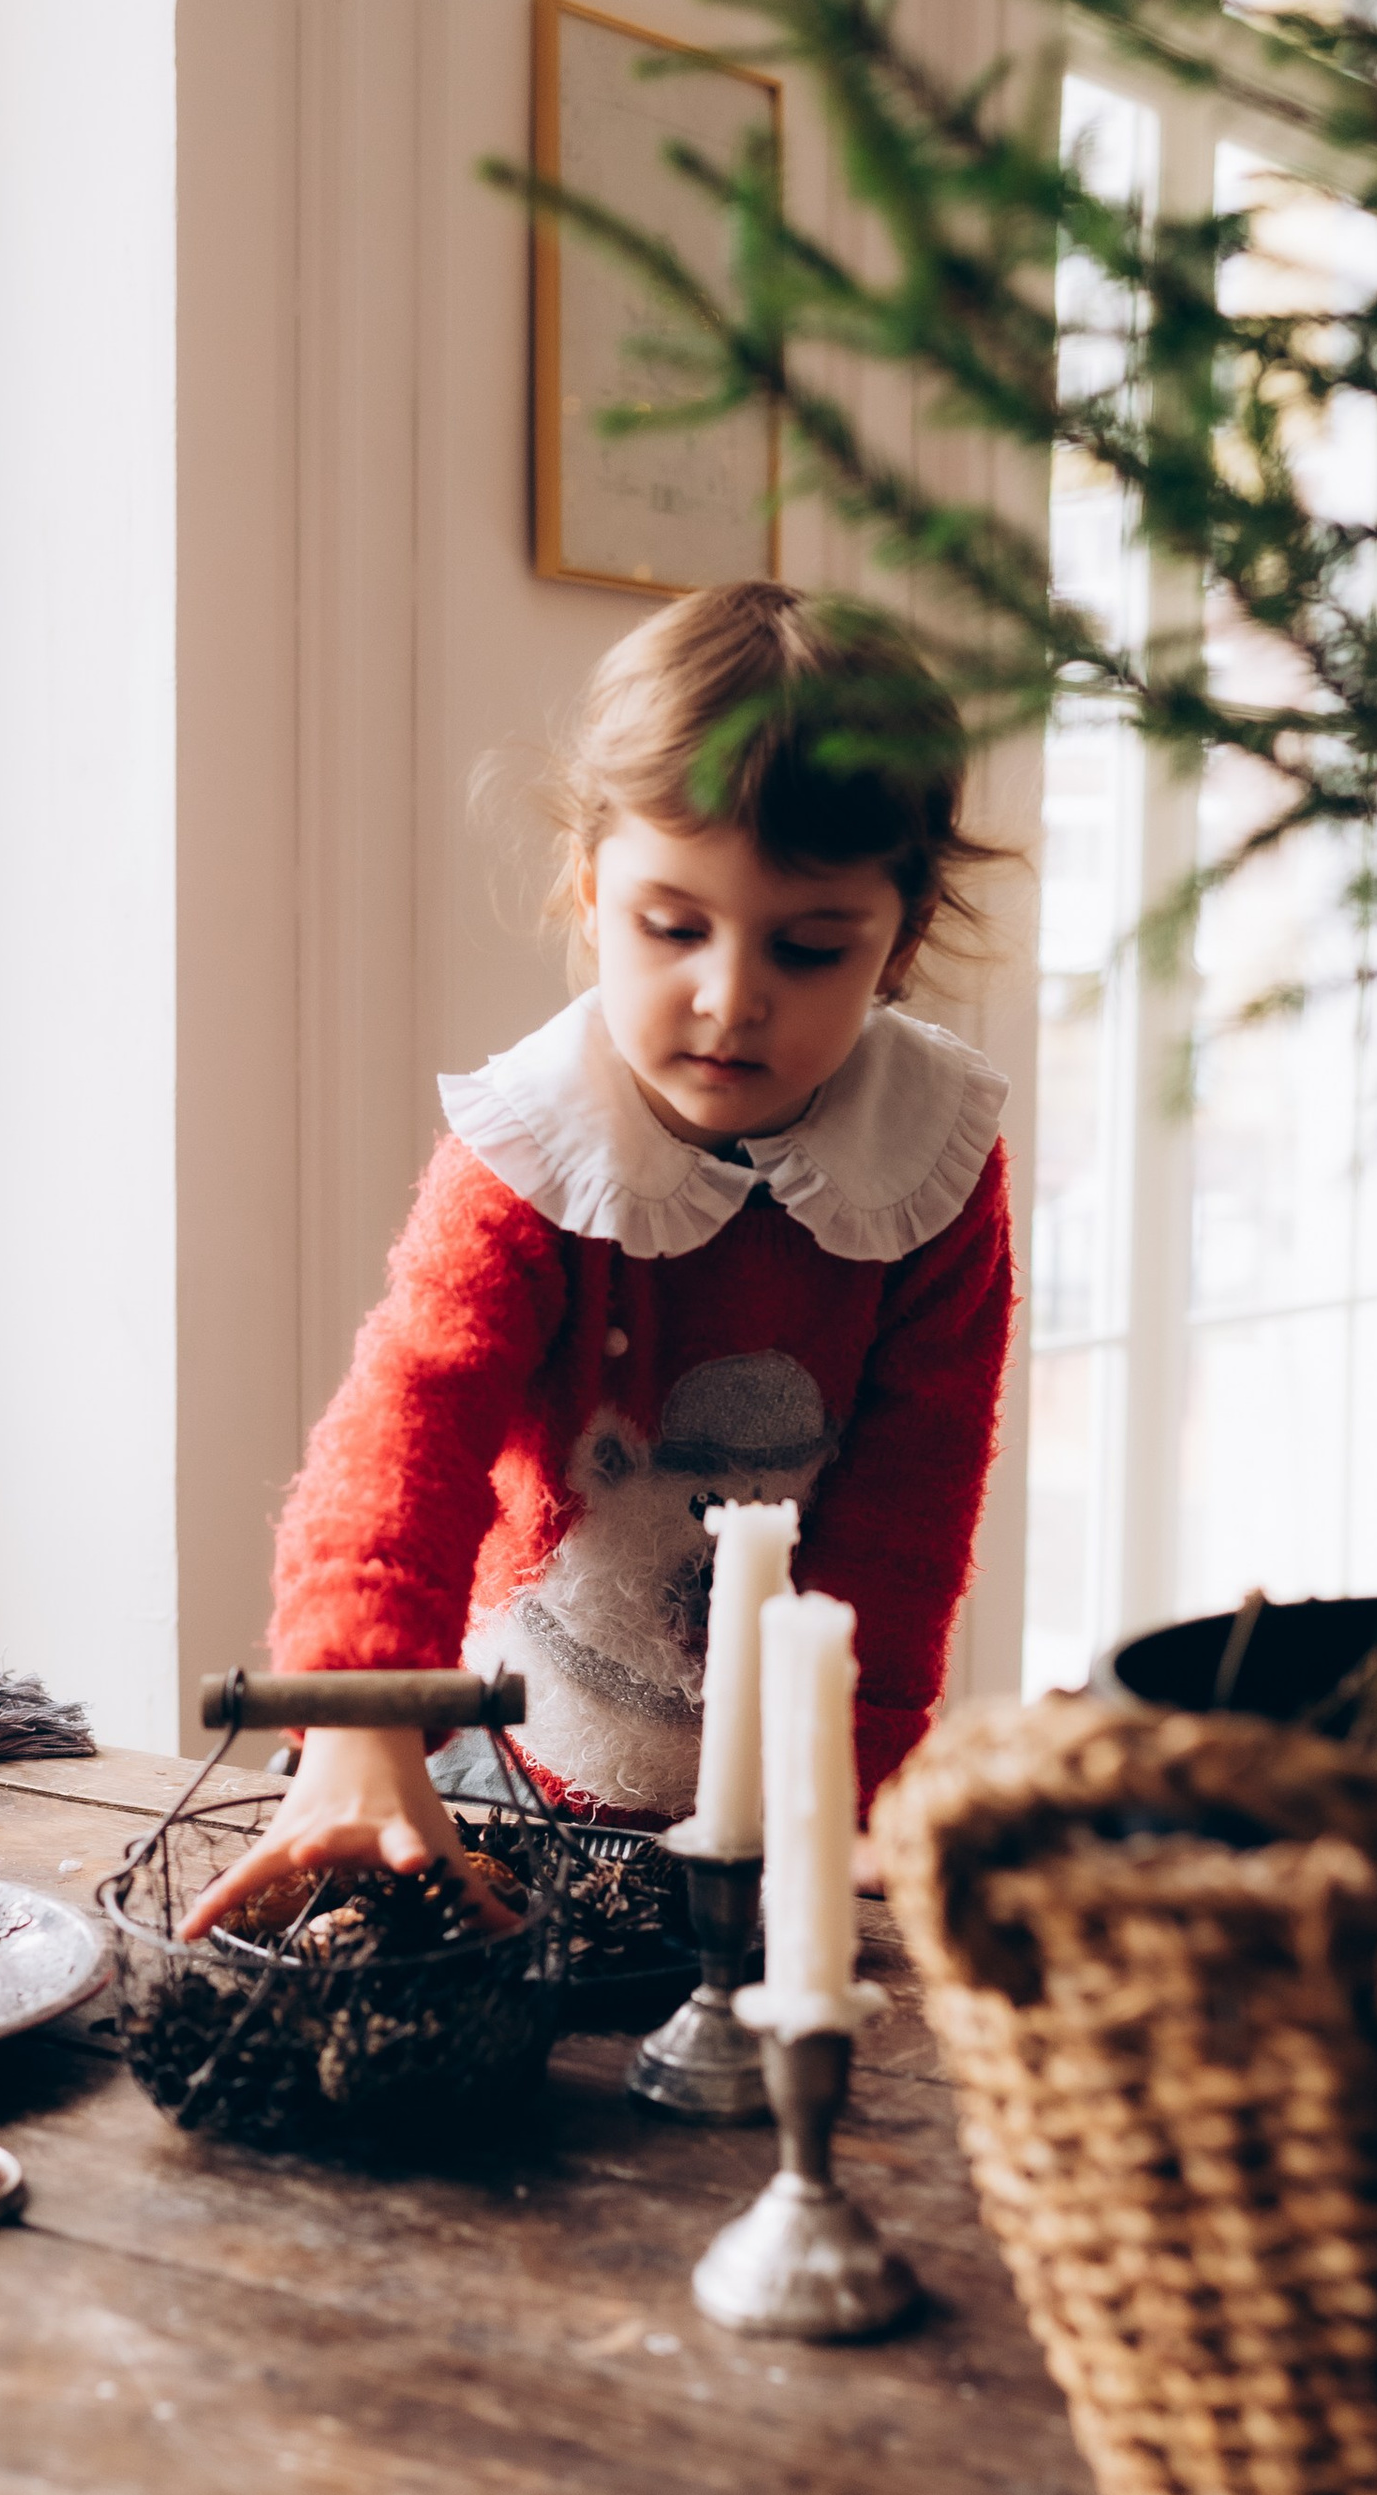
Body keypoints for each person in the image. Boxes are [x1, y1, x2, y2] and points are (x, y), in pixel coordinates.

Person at [188, 580, 1015, 1931]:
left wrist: (839, 1782)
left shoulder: (933, 1162)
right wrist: (358, 1709)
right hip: (501, 1765)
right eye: (672, 925)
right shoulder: (533, 1149)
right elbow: (410, 1424)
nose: (729, 997)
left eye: (809, 949)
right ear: (588, 889)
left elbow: (911, 1510)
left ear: (903, 941)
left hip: (772, 1797)